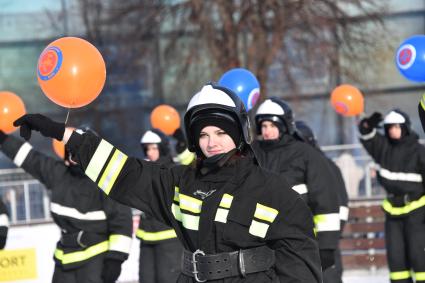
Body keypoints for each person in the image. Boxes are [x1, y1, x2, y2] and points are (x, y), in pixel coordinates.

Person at [14, 83, 322, 282]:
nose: (211, 142)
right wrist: (61, 133)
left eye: (221, 133)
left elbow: (301, 269)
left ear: (240, 134)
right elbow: (123, 172)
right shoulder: (179, 182)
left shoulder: (275, 192)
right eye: (203, 134)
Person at [0, 129, 133, 283]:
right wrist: (3, 139)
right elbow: (31, 158)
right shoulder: (59, 173)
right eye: (71, 150)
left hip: (96, 260)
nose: (75, 156)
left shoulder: (105, 182)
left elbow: (122, 222)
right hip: (64, 259)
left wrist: (115, 260)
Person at [252, 98, 341, 272]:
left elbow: (325, 201)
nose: (267, 131)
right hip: (259, 243)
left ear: (284, 125)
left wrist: (326, 246)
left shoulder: (306, 154)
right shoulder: (252, 153)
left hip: (298, 241)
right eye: (263, 126)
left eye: (271, 125)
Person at [359, 109, 425, 283]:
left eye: (396, 127)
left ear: (405, 128)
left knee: (420, 258)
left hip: (418, 212)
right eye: (389, 127)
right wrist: (367, 124)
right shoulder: (384, 148)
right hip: (393, 213)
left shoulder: (419, 151)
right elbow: (367, 136)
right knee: (396, 261)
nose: (393, 131)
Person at [294, 120, 349, 283]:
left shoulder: (327, 166)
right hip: (301, 245)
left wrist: (328, 242)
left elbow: (341, 206)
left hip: (325, 245)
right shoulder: (293, 168)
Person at [137, 129, 183, 283]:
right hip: (147, 238)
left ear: (162, 148)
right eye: (147, 149)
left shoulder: (174, 170)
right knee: (146, 278)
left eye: (154, 148)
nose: (150, 152)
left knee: (167, 279)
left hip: (170, 240)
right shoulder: (145, 170)